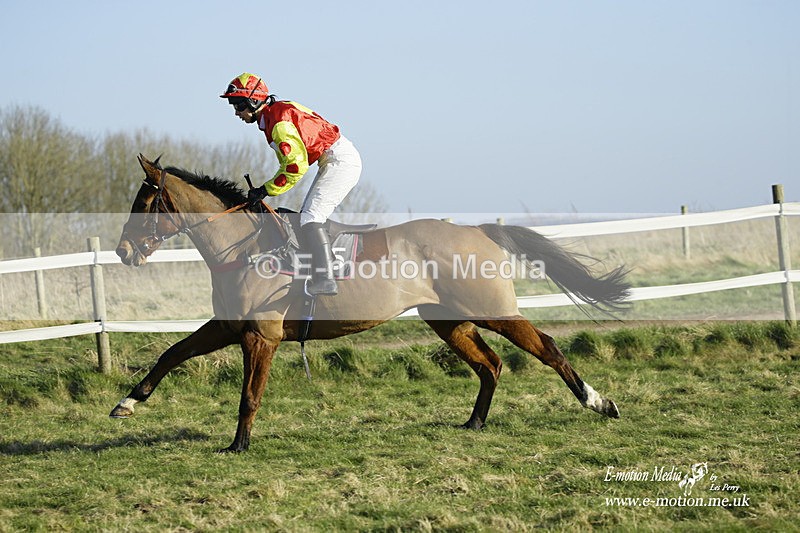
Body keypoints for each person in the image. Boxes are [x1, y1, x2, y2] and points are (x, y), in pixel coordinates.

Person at [220, 72, 362, 296]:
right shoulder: (275, 113)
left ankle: (326, 278)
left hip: (339, 160)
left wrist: (265, 190)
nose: (236, 112)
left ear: (254, 101)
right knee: (307, 216)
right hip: (332, 158)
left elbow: (295, 167)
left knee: (311, 217)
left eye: (238, 105)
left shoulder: (278, 124)